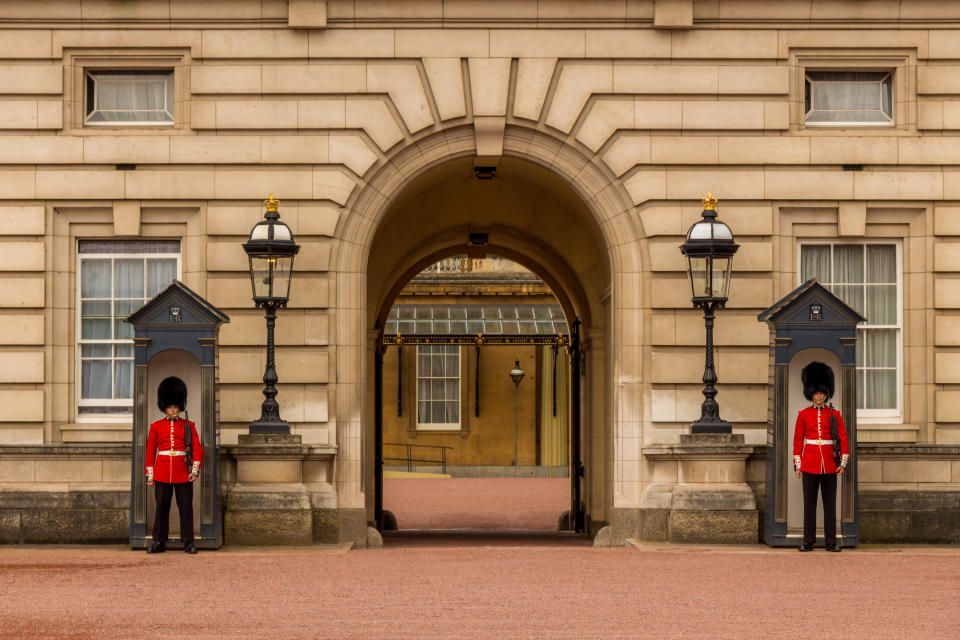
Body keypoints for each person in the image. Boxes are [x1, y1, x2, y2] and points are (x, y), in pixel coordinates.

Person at [793, 361, 849, 552]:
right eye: (816, 392)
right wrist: (798, 464)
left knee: (829, 505)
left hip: (830, 464)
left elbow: (843, 439)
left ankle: (830, 542)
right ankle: (808, 541)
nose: (819, 395)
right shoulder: (803, 415)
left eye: (822, 392)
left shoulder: (835, 414)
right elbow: (798, 441)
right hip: (809, 463)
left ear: (826, 393)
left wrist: (842, 462)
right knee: (809, 505)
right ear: (811, 393)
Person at [145, 376, 202, 554]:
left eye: (176, 406)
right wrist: (150, 475)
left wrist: (194, 470)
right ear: (165, 407)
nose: (173, 409)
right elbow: (150, 451)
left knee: (185, 507)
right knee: (161, 508)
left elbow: (197, 449)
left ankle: (188, 541)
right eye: (170, 407)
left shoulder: (189, 426)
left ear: (180, 406)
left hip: (182, 471)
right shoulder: (156, 426)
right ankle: (159, 541)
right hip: (162, 472)